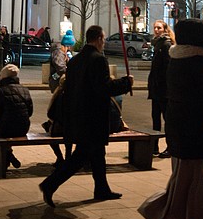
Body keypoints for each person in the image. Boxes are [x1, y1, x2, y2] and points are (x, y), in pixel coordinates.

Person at [138, 18, 203, 219]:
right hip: (194, 127)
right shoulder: (196, 60)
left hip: (178, 124)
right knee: (193, 180)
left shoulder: (176, 58)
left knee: (186, 178)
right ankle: (157, 212)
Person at [38, 25, 133, 208]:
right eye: (103, 39)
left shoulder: (75, 61)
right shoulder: (98, 59)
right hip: (93, 118)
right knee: (80, 157)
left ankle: (102, 188)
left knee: (98, 154)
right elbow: (103, 88)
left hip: (78, 116)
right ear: (98, 39)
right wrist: (125, 83)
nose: (104, 42)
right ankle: (49, 184)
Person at [0, 64, 33, 169]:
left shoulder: (0, 91)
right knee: (5, 130)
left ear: (3, 76)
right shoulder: (25, 90)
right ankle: (9, 155)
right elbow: (30, 112)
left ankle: (8, 155)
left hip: (5, 128)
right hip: (23, 128)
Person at [45, 29, 76, 166]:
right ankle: (66, 157)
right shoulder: (58, 52)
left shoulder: (63, 52)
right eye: (69, 46)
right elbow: (60, 68)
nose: (70, 48)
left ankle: (64, 157)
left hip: (60, 123)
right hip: (58, 83)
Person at [147, 20, 175, 158]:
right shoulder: (158, 44)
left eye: (159, 27)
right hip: (156, 88)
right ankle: (154, 146)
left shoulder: (165, 44)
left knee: (167, 119)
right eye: (154, 27)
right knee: (155, 118)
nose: (156, 30)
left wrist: (163, 84)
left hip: (162, 90)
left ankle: (170, 147)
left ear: (164, 29)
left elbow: (167, 68)